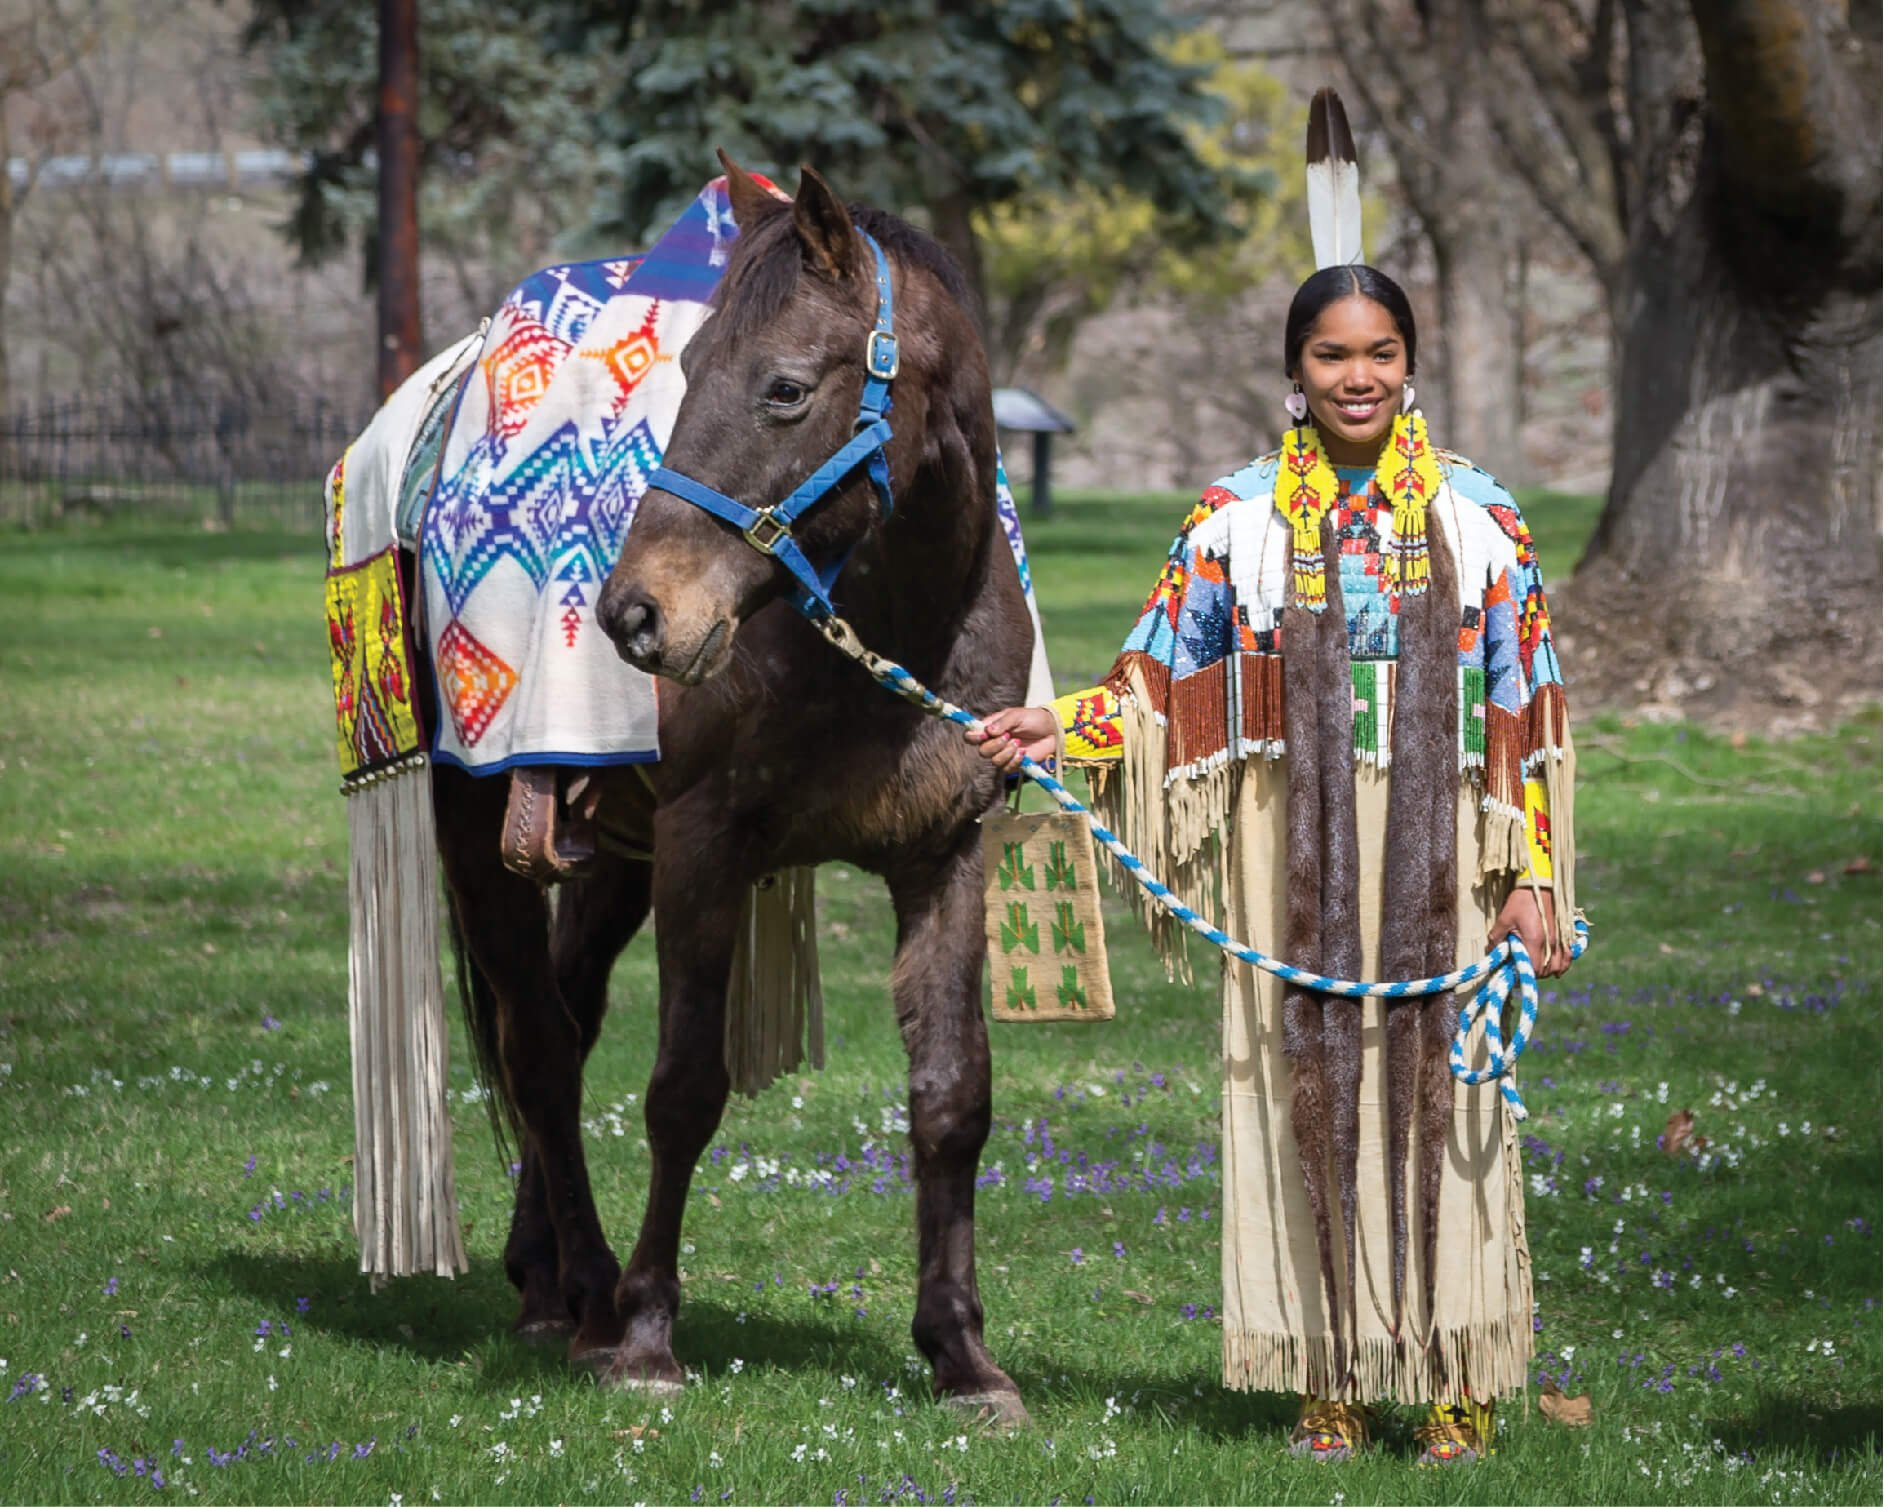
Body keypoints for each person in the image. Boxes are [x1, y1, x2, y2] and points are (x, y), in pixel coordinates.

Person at [969, 262, 1577, 1465]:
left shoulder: (1481, 517)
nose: (1360, 377)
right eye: (1333, 355)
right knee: (1300, 1087)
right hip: (1282, 846)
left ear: (1412, 363)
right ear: (1294, 371)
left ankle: (1458, 1371)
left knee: (1450, 1097)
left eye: (1381, 353)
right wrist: (1063, 726)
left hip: (1449, 841)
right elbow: (1154, 682)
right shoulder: (1232, 522)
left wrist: (1534, 874)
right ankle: (1329, 1374)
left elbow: (1532, 705)